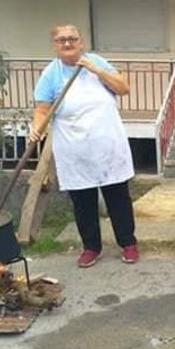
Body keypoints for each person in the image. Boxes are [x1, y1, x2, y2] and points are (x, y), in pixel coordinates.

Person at [29, 24, 139, 267]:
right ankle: (91, 247)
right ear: (55, 45)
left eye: (72, 39)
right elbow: (42, 109)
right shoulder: (50, 74)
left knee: (118, 197)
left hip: (107, 143)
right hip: (74, 147)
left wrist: (96, 69)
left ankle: (128, 243)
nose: (68, 43)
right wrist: (36, 127)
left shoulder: (97, 61)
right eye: (62, 40)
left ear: (81, 42)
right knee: (83, 200)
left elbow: (123, 88)